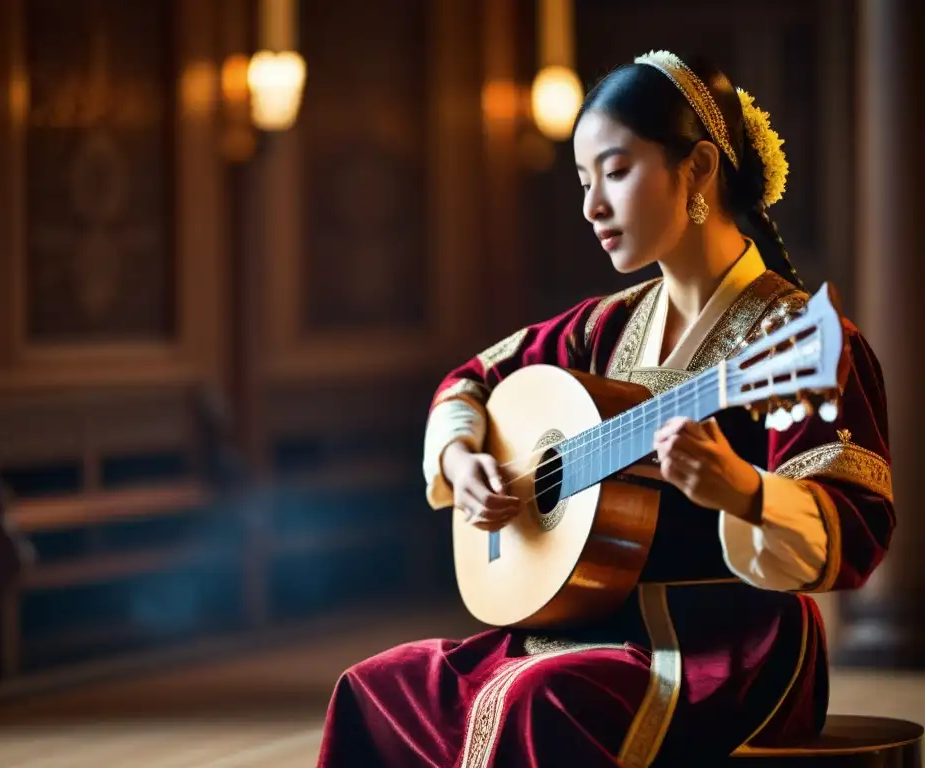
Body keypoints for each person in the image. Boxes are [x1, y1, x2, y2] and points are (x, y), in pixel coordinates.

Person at [316, 50, 894, 767]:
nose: (591, 206)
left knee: (538, 702)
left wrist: (744, 492)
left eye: (615, 173)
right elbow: (470, 380)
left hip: (725, 648)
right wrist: (463, 460)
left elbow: (858, 525)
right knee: (376, 685)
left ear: (701, 170)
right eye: (585, 182)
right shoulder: (601, 328)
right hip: (580, 627)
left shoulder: (789, 341)